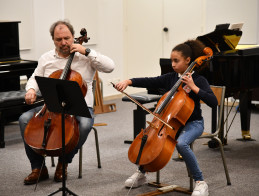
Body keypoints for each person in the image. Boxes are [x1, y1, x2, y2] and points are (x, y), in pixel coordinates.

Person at [114, 39, 217, 196]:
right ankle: (142, 173)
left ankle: (200, 182)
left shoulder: (199, 80)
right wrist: (129, 81)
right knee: (147, 139)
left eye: (176, 60)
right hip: (168, 123)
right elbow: (150, 81)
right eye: (172, 61)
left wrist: (194, 87)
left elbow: (213, 102)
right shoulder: (171, 78)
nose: (173, 64)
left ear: (188, 61)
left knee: (182, 144)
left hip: (193, 123)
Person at [19, 20, 115, 185]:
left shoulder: (86, 57)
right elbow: (34, 78)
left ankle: (64, 163)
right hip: (50, 107)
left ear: (73, 37)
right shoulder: (46, 58)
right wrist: (31, 90)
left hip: (80, 107)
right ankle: (38, 167)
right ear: (53, 40)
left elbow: (110, 67)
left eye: (67, 38)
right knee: (24, 119)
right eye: (58, 39)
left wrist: (87, 51)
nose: (63, 42)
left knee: (84, 125)